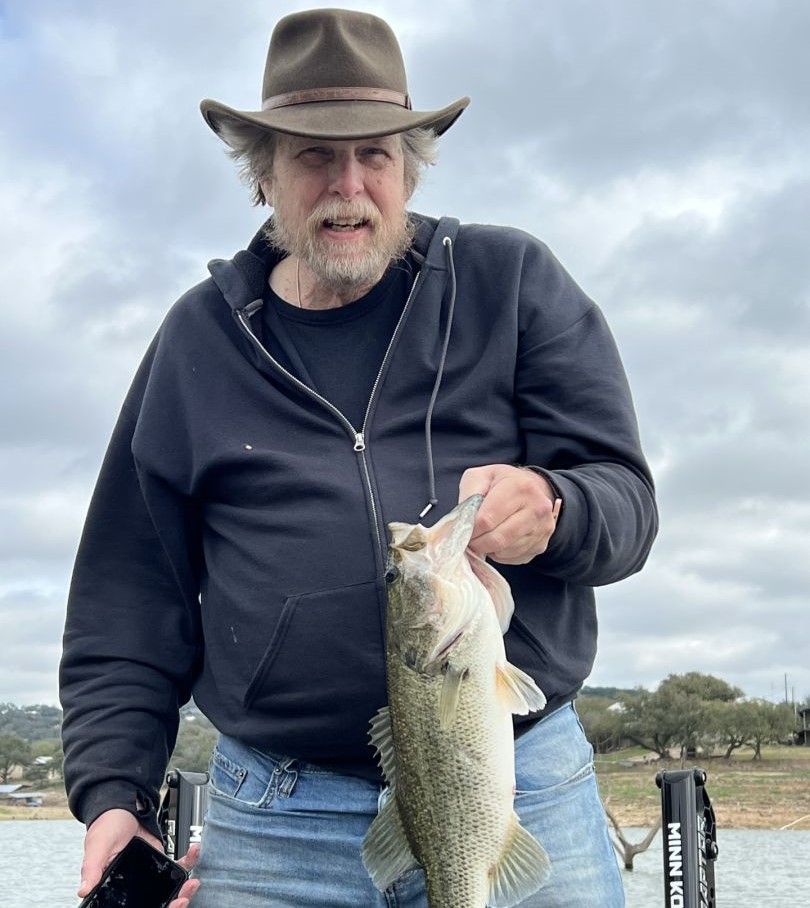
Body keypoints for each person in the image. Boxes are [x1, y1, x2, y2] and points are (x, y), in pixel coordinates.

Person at [60, 8, 658, 907]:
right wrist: (113, 795)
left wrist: (559, 507)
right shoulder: (197, 340)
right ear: (262, 176)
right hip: (274, 821)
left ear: (409, 169)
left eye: (375, 155)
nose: (349, 185)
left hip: (520, 785)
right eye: (312, 156)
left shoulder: (513, 283)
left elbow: (628, 508)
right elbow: (127, 598)